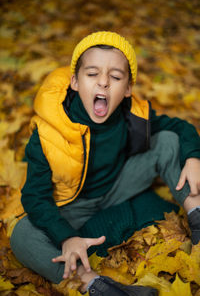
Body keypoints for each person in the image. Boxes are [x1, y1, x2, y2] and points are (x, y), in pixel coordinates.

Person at [10, 31, 200, 296]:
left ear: (128, 89)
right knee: (22, 236)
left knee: (168, 140)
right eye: (92, 74)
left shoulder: (129, 114)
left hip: (118, 184)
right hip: (72, 205)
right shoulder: (48, 132)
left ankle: (196, 214)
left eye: (115, 77)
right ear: (75, 81)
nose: (103, 83)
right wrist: (66, 237)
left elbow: (180, 127)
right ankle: (95, 284)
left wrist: (193, 157)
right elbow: (35, 196)